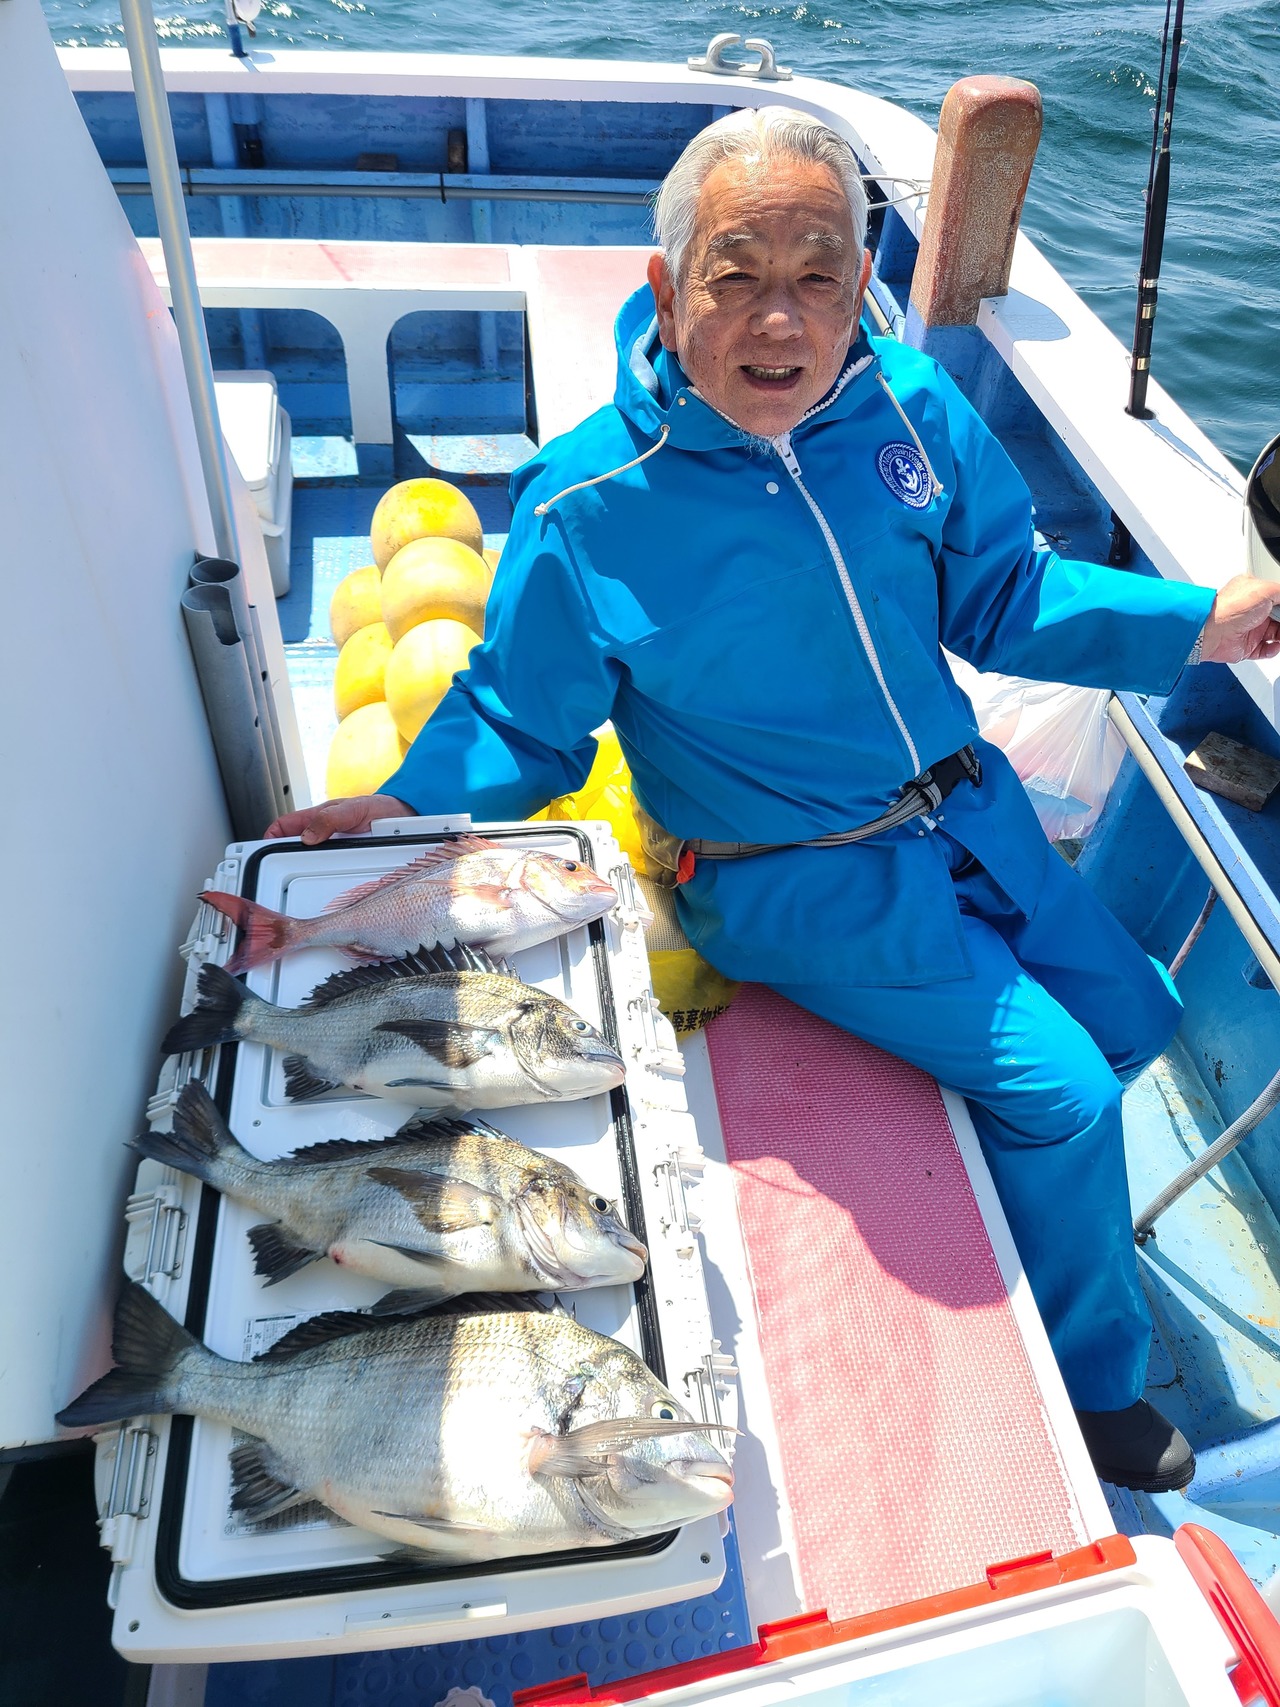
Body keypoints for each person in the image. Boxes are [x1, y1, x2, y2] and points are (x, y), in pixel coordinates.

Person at [268, 107, 1280, 1491]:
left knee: (1143, 1022)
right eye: (736, 276)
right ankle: (1099, 1382)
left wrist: (1203, 622)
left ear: (862, 286)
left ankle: (1047, 1215)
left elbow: (1006, 593)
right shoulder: (585, 503)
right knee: (1066, 1099)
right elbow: (520, 711)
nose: (780, 321)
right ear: (666, 287)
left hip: (971, 820)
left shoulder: (912, 407)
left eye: (818, 276)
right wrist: (399, 805)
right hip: (793, 882)